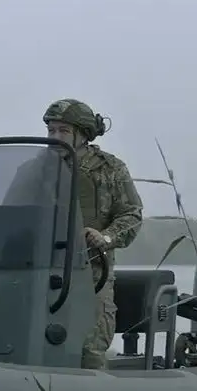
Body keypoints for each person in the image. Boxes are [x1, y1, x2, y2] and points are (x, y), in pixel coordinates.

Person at [42, 98, 143, 369]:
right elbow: (11, 211)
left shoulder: (110, 169)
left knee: (90, 344)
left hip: (91, 271)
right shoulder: (35, 168)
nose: (55, 137)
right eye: (51, 130)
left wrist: (105, 238)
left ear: (83, 134)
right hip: (39, 268)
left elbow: (132, 215)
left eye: (63, 131)